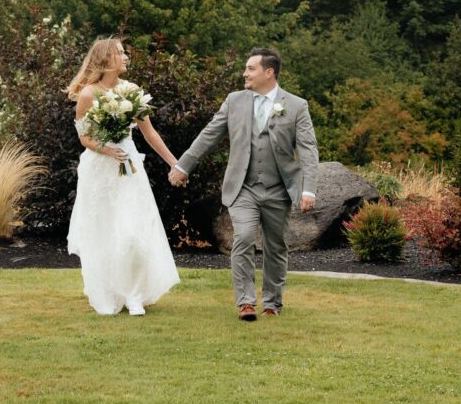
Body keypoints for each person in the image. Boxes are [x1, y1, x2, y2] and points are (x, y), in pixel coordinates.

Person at [169, 47, 318, 321]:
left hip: (279, 190)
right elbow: (209, 135)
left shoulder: (297, 106)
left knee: (276, 246)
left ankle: (272, 303)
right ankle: (246, 302)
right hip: (243, 188)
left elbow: (308, 150)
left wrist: (308, 189)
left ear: (269, 72)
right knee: (244, 237)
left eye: (251, 68)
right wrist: (183, 165)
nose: (244, 73)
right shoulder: (234, 101)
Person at [67, 38, 180, 316]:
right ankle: (110, 291)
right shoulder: (88, 94)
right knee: (105, 232)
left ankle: (134, 295)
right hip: (100, 170)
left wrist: (175, 163)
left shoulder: (132, 91)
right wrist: (106, 149)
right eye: (120, 53)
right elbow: (84, 136)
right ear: (105, 59)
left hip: (129, 167)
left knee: (133, 232)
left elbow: (149, 133)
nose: (126, 57)